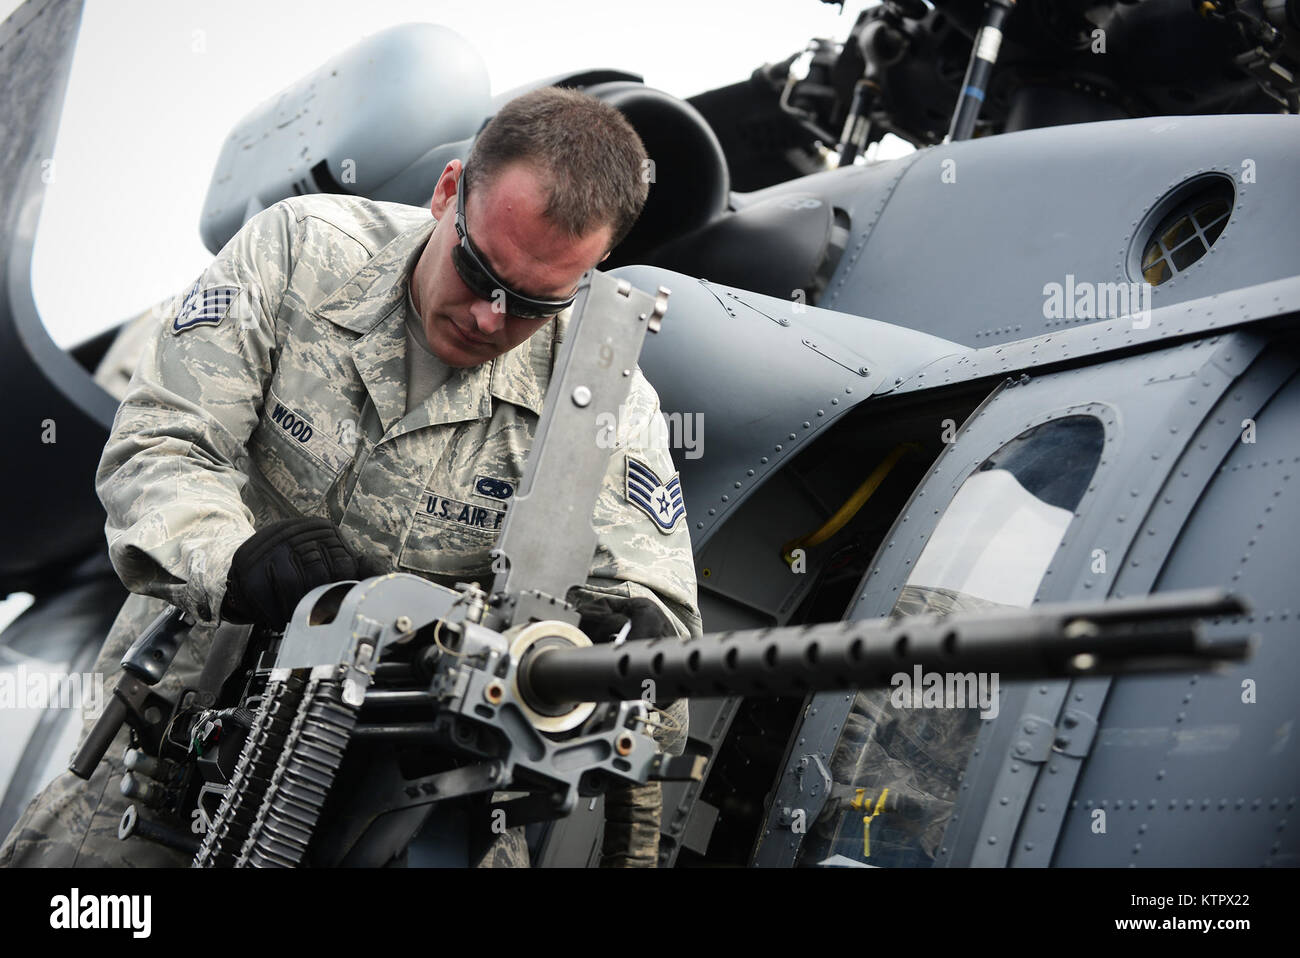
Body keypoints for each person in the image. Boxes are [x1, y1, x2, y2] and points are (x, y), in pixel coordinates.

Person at [0, 86, 699, 868]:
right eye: (479, 272)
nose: (491, 319)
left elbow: (658, 626)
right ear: (446, 194)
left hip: (409, 820)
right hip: (164, 776)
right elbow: (159, 446)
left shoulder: (602, 400)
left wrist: (626, 650)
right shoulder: (300, 254)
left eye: (536, 304)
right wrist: (231, 559)